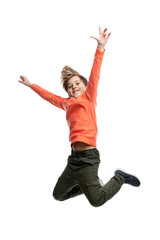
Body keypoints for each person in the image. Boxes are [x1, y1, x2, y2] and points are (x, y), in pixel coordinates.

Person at [19, 26, 140, 207]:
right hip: (73, 160)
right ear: (67, 91)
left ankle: (119, 177)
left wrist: (100, 48)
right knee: (58, 195)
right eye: (69, 86)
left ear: (84, 85)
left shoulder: (89, 97)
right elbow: (48, 96)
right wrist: (31, 85)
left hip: (88, 158)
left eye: (77, 83)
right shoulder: (66, 103)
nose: (73, 86)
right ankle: (89, 186)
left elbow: (95, 73)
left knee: (97, 200)